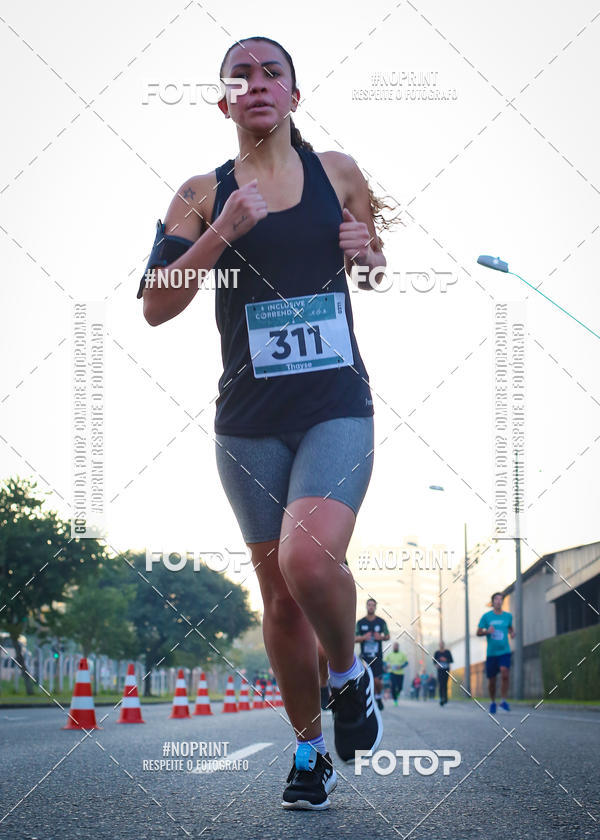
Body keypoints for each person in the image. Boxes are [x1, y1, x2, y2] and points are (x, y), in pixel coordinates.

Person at [138, 36, 399, 811]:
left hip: (335, 407)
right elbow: (155, 302)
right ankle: (310, 750)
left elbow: (374, 264)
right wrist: (222, 232)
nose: (256, 84)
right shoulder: (200, 193)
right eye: (239, 77)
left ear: (293, 93)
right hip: (247, 421)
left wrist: (370, 251)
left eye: (271, 73)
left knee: (309, 563)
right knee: (279, 598)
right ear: (224, 103)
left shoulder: (338, 173)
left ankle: (350, 679)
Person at [477, 592, 516, 714]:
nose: (499, 601)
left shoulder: (508, 616)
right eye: (496, 599)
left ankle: (503, 701)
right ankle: (493, 702)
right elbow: (478, 632)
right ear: (492, 602)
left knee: (505, 673)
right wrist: (487, 632)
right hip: (491, 653)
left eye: (501, 599)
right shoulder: (486, 617)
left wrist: (511, 633)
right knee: (492, 681)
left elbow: (510, 627)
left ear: (502, 602)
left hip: (505, 651)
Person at [356, 599, 391, 710]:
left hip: (377, 656)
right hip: (365, 657)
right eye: (369, 605)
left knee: (377, 681)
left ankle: (378, 697)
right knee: (365, 680)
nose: (371, 607)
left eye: (373, 605)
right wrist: (363, 638)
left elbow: (387, 636)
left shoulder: (381, 622)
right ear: (366, 607)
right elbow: (354, 638)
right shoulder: (360, 623)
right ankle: (366, 701)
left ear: (375, 607)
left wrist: (380, 637)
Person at [432, 641, 453, 706]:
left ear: (444, 645)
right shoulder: (437, 653)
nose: (441, 645)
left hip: (446, 669)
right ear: (439, 645)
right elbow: (434, 661)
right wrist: (437, 664)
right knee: (441, 684)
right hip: (440, 670)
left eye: (442, 644)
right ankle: (441, 698)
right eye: (440, 644)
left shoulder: (447, 652)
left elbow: (451, 660)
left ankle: (445, 698)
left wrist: (445, 659)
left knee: (445, 684)